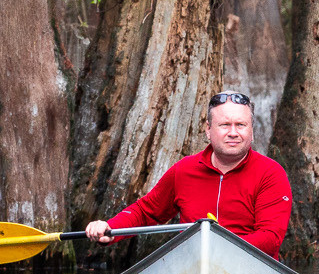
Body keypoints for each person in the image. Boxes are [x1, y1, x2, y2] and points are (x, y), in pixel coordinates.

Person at [84, 91, 292, 258]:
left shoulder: (271, 174)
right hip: (191, 266)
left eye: (241, 125)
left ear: (252, 131)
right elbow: (146, 212)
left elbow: (270, 238)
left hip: (252, 268)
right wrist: (110, 228)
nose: (233, 133)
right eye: (224, 125)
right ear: (208, 130)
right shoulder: (184, 170)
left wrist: (219, 247)